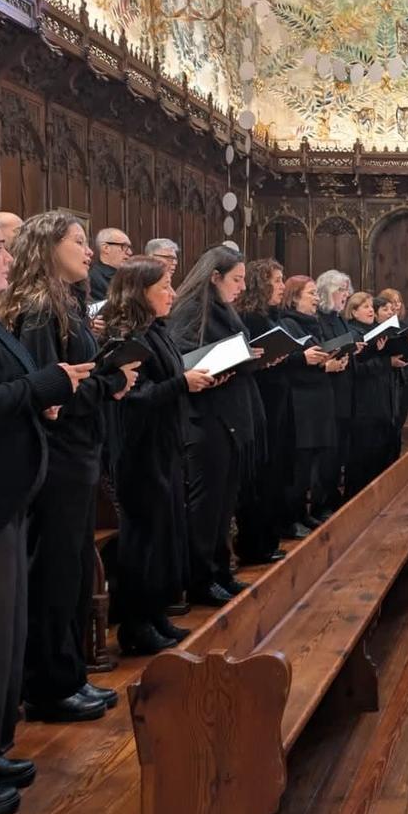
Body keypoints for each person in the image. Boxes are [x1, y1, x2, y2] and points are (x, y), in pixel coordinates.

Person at [0, 206, 90, 814]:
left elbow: (2, 387)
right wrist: (42, 388)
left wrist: (41, 395)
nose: (8, 256)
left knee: (0, 638)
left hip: (2, 500)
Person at [0, 212, 138, 723]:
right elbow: (52, 393)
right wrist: (112, 383)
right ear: (47, 247)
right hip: (57, 456)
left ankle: (70, 673)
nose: (88, 250)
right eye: (77, 240)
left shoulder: (65, 302)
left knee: (72, 569)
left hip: (79, 452)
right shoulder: (40, 308)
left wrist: (104, 375)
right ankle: (49, 685)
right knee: (54, 573)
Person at [103, 256, 216, 654]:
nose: (172, 293)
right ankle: (135, 626)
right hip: (139, 449)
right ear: (140, 292)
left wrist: (188, 379)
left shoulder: (156, 329)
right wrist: (183, 384)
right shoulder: (126, 336)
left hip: (165, 442)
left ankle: (155, 614)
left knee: (164, 532)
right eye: (164, 287)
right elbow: (134, 398)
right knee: (144, 538)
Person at [168, 245, 263, 607]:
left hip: (230, 413)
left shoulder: (223, 308)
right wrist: (221, 360)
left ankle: (220, 571)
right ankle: (200, 579)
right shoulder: (191, 309)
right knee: (206, 506)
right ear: (214, 277)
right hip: (205, 418)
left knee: (224, 503)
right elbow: (181, 358)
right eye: (236, 279)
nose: (242, 287)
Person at [235, 259, 295, 553]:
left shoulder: (271, 316)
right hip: (261, 399)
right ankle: (257, 543)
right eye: (277, 280)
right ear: (262, 284)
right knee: (262, 472)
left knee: (275, 471)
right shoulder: (250, 317)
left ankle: (268, 540)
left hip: (276, 397)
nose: (282, 286)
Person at [279, 276, 338, 530]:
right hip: (301, 403)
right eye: (311, 293)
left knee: (313, 463)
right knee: (299, 465)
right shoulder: (287, 324)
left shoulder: (313, 323)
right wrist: (321, 364)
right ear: (294, 298)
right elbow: (289, 364)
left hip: (318, 401)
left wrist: (331, 359)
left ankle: (303, 513)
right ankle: (291, 518)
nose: (317, 298)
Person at [344, 291, 406, 494]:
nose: (371, 310)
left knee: (381, 455)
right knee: (364, 459)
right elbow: (358, 369)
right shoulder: (353, 334)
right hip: (365, 403)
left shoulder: (375, 331)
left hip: (381, 400)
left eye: (371, 306)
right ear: (354, 312)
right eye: (365, 307)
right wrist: (386, 361)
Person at [314, 270, 355, 515]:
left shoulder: (339, 319)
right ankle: (321, 504)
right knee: (326, 455)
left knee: (339, 451)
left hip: (343, 390)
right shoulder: (318, 318)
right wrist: (329, 362)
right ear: (328, 291)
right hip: (326, 391)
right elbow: (320, 351)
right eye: (341, 290)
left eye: (347, 290)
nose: (346, 294)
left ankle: (333, 499)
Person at [374, 293, 406, 464]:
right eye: (385, 309)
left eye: (391, 309)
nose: (390, 312)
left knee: (396, 428)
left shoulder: (394, 330)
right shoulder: (373, 332)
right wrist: (387, 360)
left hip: (395, 383)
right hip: (379, 388)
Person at [89, 227, 132, 299]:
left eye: (129, 247)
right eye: (124, 246)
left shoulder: (129, 275)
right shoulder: (93, 279)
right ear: (106, 248)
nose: (130, 252)